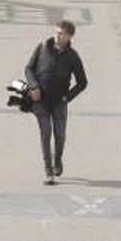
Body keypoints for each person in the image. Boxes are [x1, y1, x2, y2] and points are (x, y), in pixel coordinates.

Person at [24, 20, 88, 184]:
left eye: (61, 33)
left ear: (69, 37)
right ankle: (48, 171)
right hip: (41, 101)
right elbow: (29, 69)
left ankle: (57, 159)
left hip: (60, 103)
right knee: (45, 134)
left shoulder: (73, 57)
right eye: (57, 31)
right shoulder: (42, 48)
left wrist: (68, 97)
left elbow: (82, 82)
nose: (57, 35)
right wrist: (34, 86)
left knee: (60, 136)